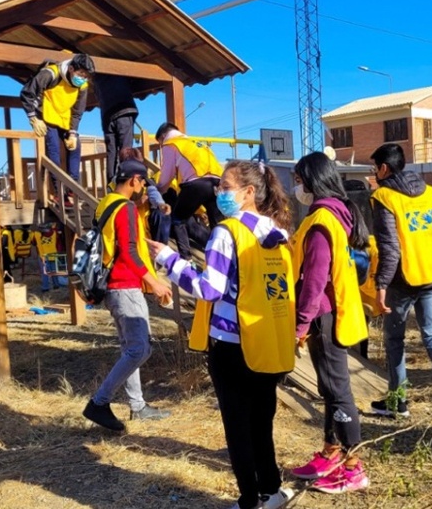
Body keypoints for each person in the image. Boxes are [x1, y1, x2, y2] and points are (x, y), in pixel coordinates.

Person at [149, 161, 296, 509]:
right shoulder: (278, 232)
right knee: (262, 422)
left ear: (248, 192)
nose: (219, 193)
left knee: (238, 428)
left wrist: (172, 261)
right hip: (268, 339)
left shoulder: (226, 233)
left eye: (226, 187)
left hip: (231, 346)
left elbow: (209, 289)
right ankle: (271, 491)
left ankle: (248, 499)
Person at [368, 143, 432, 429]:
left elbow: (389, 248)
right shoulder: (431, 193)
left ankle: (398, 402)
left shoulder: (383, 197)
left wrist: (381, 285)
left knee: (394, 341)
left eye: (374, 169)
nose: (373, 174)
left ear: (384, 169)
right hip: (431, 274)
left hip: (402, 280)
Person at [290, 152, 371, 493]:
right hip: (333, 311)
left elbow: (315, 280)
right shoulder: (334, 213)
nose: (296, 187)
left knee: (338, 391)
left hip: (324, 314)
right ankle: (331, 451)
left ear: (311, 180)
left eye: (298, 180)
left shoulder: (323, 220)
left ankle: (353, 468)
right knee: (329, 388)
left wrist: (301, 324)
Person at [82, 159, 173, 431]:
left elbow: (116, 239)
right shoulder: (127, 208)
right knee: (139, 348)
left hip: (111, 286)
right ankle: (99, 402)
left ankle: (137, 405)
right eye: (142, 181)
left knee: (130, 348)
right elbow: (129, 251)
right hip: (126, 285)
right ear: (134, 180)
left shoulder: (107, 203)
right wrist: (155, 283)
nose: (143, 186)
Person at [20, 53, 95, 191]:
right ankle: (58, 190)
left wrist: (73, 132)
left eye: (86, 76)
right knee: (53, 150)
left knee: (75, 145)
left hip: (64, 117)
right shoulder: (50, 74)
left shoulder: (82, 86)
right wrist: (33, 118)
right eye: (81, 74)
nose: (83, 78)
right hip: (46, 115)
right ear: (71, 69)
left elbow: (78, 111)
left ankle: (73, 188)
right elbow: (27, 93)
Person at [155, 122, 224, 259]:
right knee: (218, 225)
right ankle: (222, 257)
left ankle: (186, 258)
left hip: (196, 183)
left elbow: (166, 175)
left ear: (164, 136)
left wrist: (158, 192)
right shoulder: (195, 143)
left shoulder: (171, 144)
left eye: (160, 142)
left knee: (178, 219)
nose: (161, 146)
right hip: (217, 182)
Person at [93, 74, 139, 182]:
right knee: (126, 150)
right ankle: (125, 181)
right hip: (124, 111)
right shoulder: (120, 72)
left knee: (111, 152)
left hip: (107, 116)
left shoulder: (97, 80)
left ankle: (111, 183)